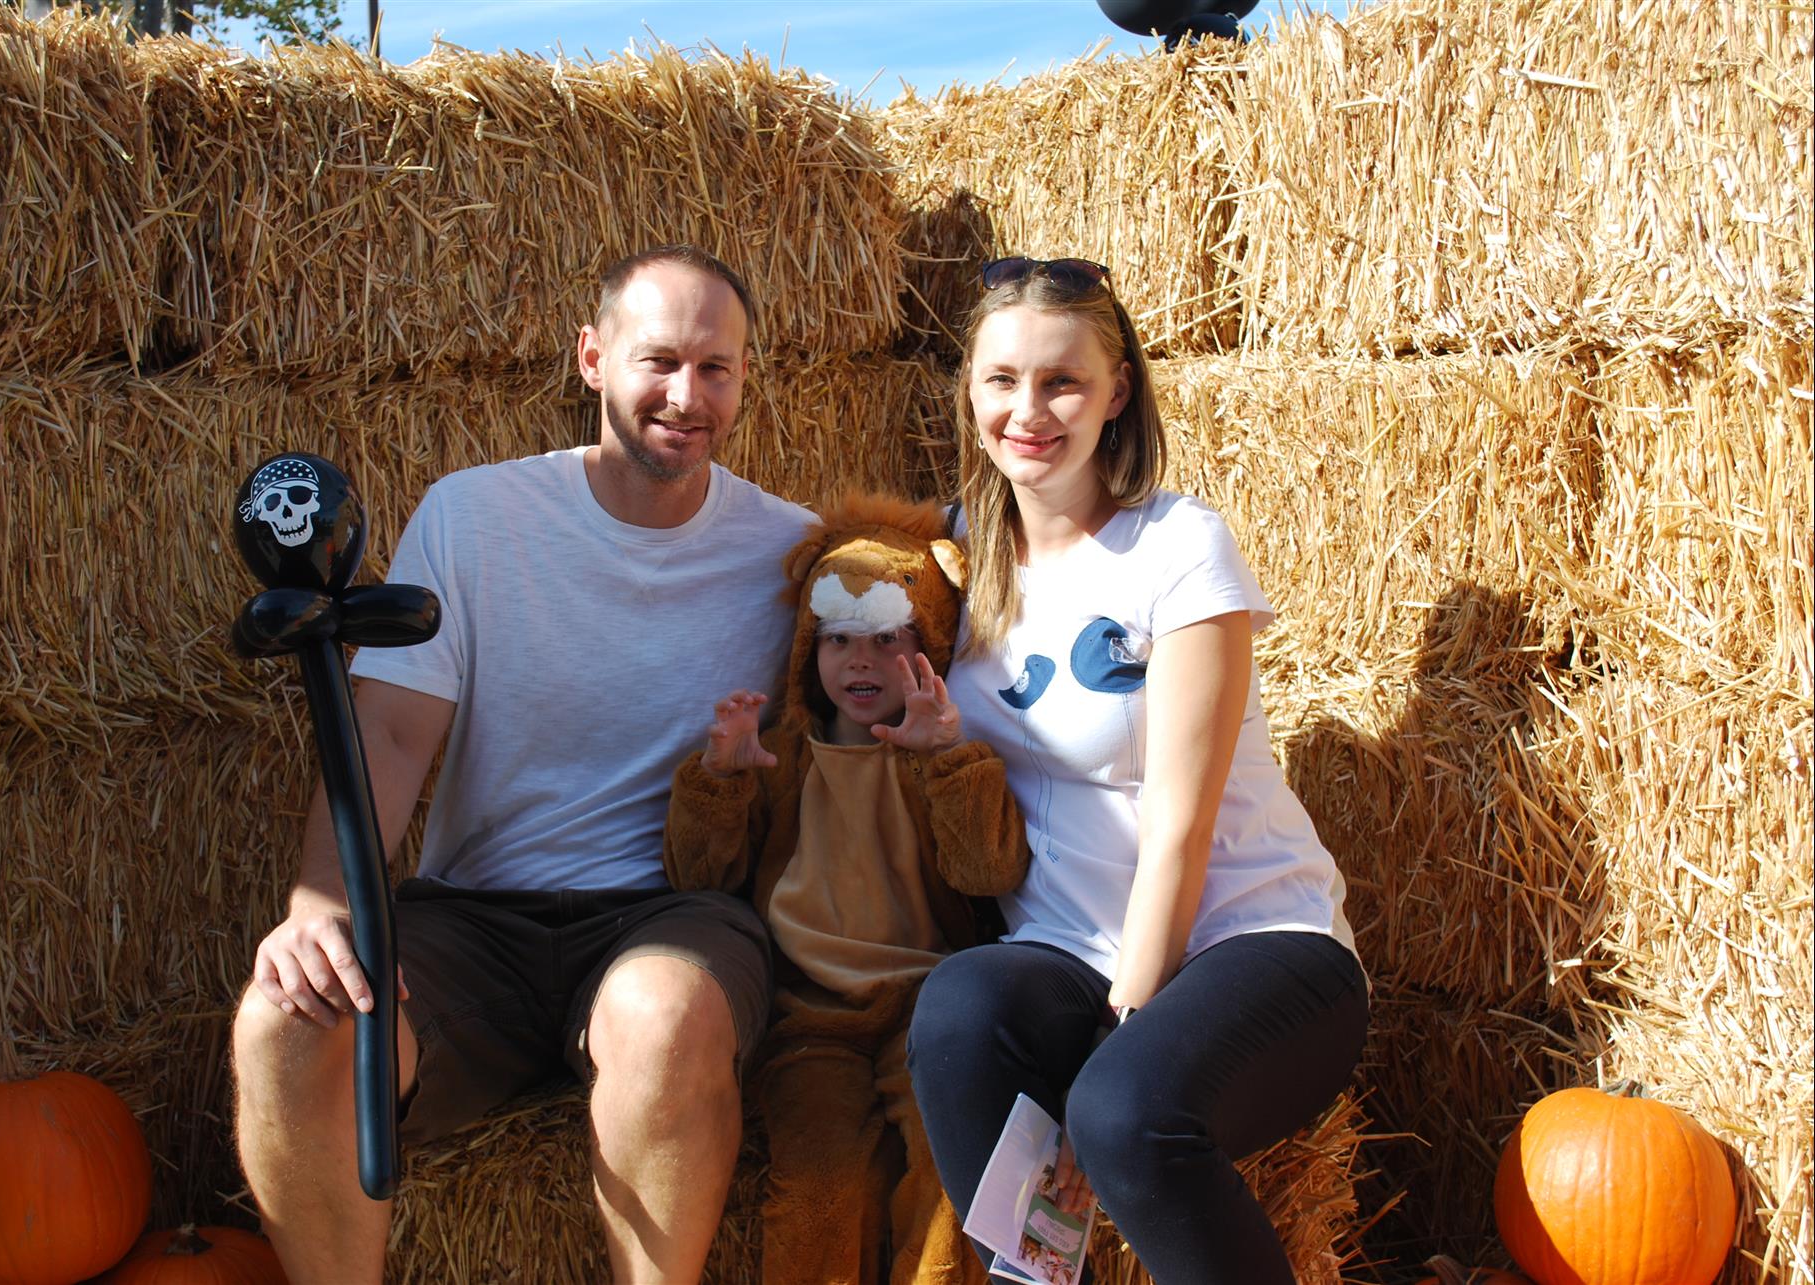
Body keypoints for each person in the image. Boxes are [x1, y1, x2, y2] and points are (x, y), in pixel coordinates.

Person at [229, 244, 815, 1285]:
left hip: (668, 913)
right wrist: (319, 903)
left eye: (717, 368)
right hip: (475, 920)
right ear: (592, 357)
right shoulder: (476, 516)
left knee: (663, 1013)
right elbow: (392, 732)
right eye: (659, 360)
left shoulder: (792, 554)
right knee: (284, 1023)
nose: (688, 395)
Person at [906, 256, 1368, 1284]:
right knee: (958, 1007)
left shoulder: (1178, 549)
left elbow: (1180, 827)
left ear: (1117, 393)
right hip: (1066, 947)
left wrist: (1123, 1028)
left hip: (1250, 944)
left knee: (1120, 1112)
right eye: (1001, 379)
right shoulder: (951, 556)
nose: (1029, 409)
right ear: (969, 388)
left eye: (1062, 382)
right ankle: (1027, 1277)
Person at [663, 493, 1029, 1285]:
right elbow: (700, 881)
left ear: (929, 644)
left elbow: (990, 872)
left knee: (948, 1178)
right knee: (820, 1185)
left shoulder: (941, 756)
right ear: (806, 649)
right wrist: (718, 781)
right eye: (837, 640)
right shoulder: (782, 757)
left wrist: (949, 763)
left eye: (887, 640)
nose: (860, 662)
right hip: (811, 1019)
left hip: (929, 1013)